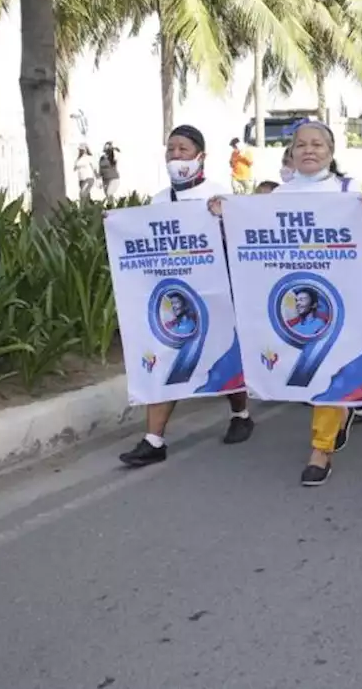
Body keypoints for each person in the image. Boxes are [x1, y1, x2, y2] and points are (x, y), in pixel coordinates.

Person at [118, 125, 254, 468]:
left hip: (216, 289)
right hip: (175, 294)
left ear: (201, 156)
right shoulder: (159, 200)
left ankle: (240, 413)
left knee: (222, 351)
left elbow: (240, 239)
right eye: (171, 150)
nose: (176, 156)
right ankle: (154, 439)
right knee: (167, 355)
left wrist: (223, 219)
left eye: (183, 149)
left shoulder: (220, 194)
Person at [274, 120, 362, 487]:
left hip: (339, 299)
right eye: (301, 144)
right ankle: (343, 409)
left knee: (328, 366)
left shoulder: (348, 192)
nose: (309, 150)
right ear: (291, 152)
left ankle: (321, 449)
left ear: (331, 153)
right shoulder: (277, 198)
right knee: (304, 366)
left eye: (317, 144)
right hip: (293, 297)